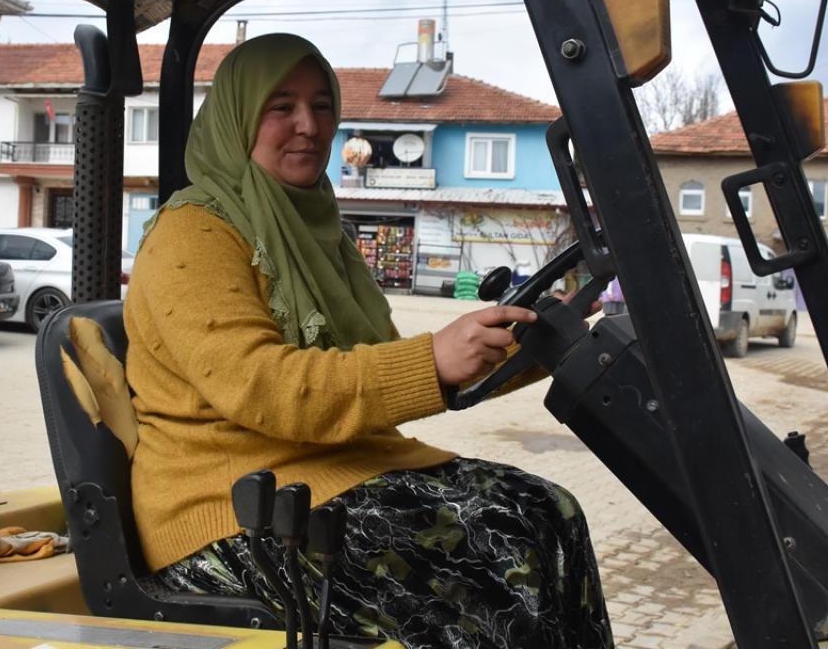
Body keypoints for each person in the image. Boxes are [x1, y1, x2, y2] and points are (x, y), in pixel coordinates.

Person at [123, 33, 612, 649]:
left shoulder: (316, 228)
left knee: (549, 511)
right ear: (238, 118)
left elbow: (383, 367)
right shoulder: (192, 235)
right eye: (282, 107)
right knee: (493, 546)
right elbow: (264, 386)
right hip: (228, 510)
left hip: (329, 473)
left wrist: (536, 336)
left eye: (322, 105)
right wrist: (431, 360)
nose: (309, 125)